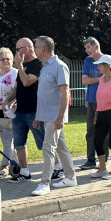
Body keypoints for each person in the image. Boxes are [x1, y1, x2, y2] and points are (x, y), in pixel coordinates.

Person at [31, 36, 77, 196]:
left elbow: (65, 93)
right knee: (61, 147)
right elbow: (43, 94)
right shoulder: (44, 67)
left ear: (42, 49)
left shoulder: (59, 66)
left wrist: (60, 117)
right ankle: (71, 177)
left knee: (48, 148)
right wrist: (38, 116)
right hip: (47, 116)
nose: (34, 49)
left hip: (55, 116)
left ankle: (44, 183)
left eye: (35, 47)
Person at [7, 37, 43, 182]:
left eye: (18, 49)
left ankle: (57, 167)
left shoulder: (38, 65)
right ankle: (24, 172)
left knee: (43, 142)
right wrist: (8, 99)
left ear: (26, 49)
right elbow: (18, 85)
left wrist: (20, 66)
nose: (16, 52)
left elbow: (27, 82)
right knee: (19, 143)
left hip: (34, 111)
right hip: (20, 111)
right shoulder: (23, 66)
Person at [81, 37, 103, 169]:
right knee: (90, 131)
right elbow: (84, 80)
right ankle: (90, 159)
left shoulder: (106, 60)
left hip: (104, 102)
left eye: (89, 47)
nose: (87, 51)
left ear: (96, 46)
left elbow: (109, 79)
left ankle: (103, 159)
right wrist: (99, 79)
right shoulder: (87, 61)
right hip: (90, 100)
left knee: (103, 131)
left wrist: (93, 79)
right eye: (85, 48)